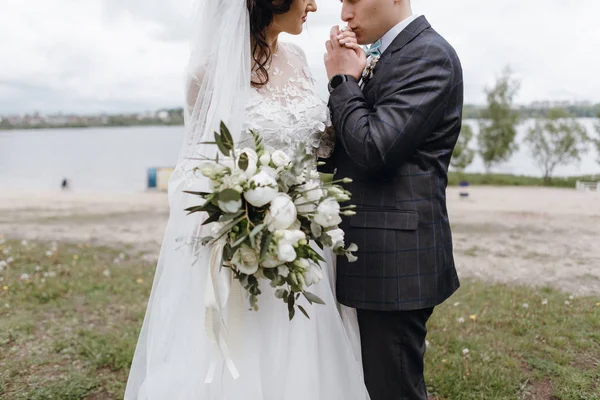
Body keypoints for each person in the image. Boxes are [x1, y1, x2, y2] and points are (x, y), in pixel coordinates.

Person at [125, 1, 370, 399]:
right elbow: (194, 174)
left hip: (307, 246)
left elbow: (320, 146)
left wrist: (345, 77)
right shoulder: (208, 74)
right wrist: (244, 221)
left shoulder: (300, 57)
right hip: (248, 252)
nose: (314, 5)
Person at [323, 1, 464, 399]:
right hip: (370, 254)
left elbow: (375, 148)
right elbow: (351, 143)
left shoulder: (428, 55)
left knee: (392, 390)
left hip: (395, 264)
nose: (345, 13)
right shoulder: (385, 53)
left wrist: (340, 83)